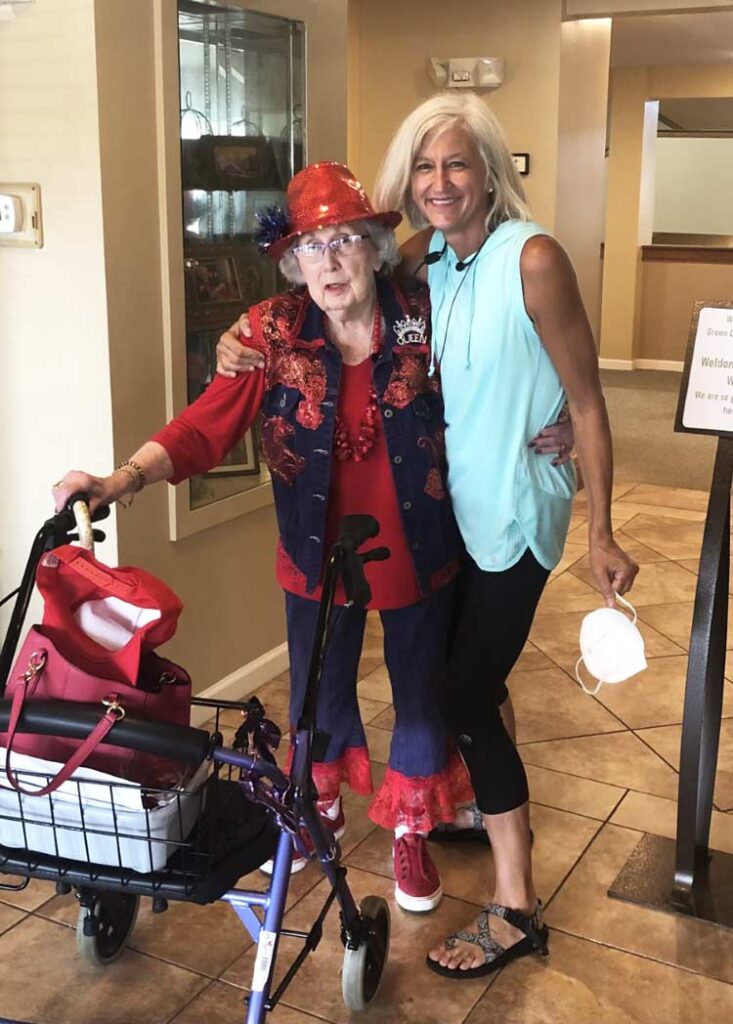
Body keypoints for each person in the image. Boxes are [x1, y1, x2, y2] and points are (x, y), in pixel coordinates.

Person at [52, 161, 475, 914]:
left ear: (375, 250)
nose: (330, 262)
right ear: (292, 261)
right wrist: (121, 479)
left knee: (419, 694)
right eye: (313, 247)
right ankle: (323, 807)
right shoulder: (269, 332)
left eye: (346, 241)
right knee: (318, 692)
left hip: (418, 545)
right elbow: (203, 426)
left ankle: (410, 831)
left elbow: (496, 382)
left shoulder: (430, 314)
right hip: (315, 552)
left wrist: (559, 418)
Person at [372, 93, 638, 977]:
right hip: (451, 512)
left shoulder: (534, 259)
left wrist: (602, 530)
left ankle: (515, 905)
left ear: (491, 172)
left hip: (519, 509)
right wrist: (247, 342)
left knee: (461, 692)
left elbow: (591, 402)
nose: (438, 183)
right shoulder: (430, 262)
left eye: (454, 164)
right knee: (472, 686)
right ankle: (488, 812)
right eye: (423, 166)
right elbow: (343, 265)